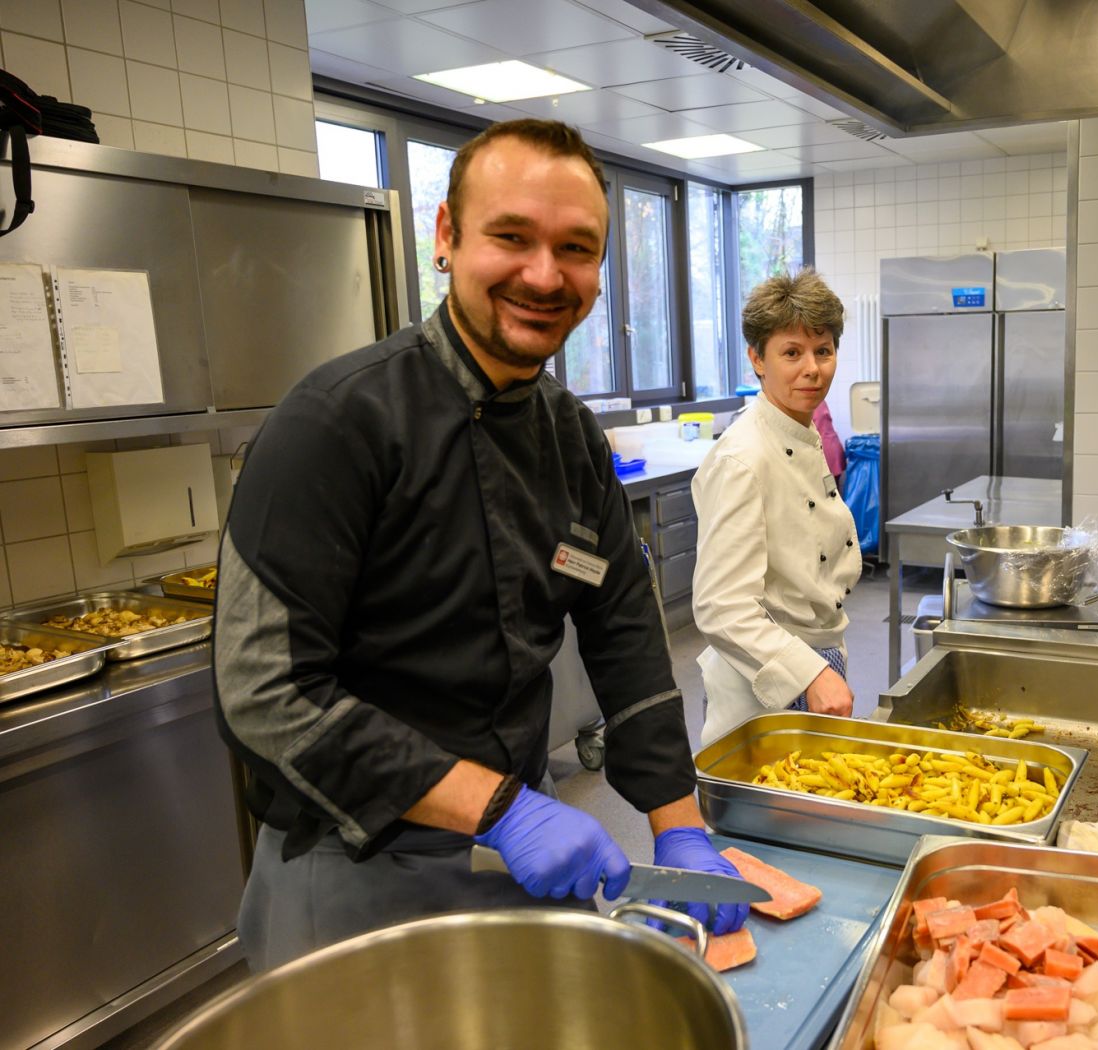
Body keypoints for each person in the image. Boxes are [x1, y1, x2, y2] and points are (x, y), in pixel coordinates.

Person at [214, 118, 745, 972]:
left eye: (576, 248)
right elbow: (264, 693)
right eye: (511, 237)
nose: (544, 275)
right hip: (350, 864)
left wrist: (678, 829)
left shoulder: (571, 438)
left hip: (510, 858)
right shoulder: (336, 422)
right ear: (446, 240)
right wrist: (499, 810)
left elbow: (626, 637)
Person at [691, 270, 864, 745]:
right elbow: (721, 606)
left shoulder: (800, 432)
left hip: (817, 654)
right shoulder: (742, 458)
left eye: (823, 351)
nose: (812, 368)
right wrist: (810, 674)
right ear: (757, 360)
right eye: (792, 352)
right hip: (765, 679)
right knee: (766, 815)